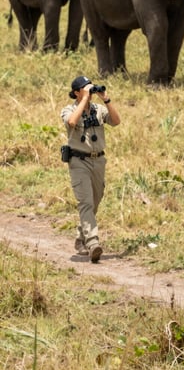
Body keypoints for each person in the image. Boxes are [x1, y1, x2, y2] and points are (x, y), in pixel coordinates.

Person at [60, 75, 120, 262]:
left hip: (98, 161)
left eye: (90, 88)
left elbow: (116, 121)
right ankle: (93, 242)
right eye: (84, 89)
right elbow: (71, 122)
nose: (89, 92)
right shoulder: (68, 109)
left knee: (96, 199)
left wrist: (106, 99)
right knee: (85, 202)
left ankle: (81, 236)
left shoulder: (98, 110)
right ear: (76, 92)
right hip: (79, 161)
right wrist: (84, 99)